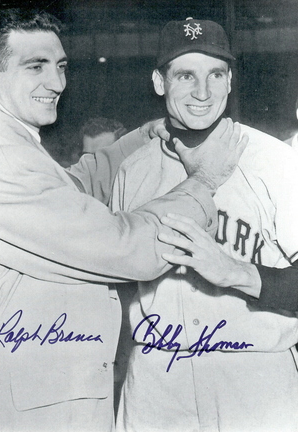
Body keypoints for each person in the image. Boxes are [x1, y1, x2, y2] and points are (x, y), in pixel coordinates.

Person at [0, 9, 246, 432]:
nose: (56, 83)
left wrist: (146, 135)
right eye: (34, 66)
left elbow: (74, 188)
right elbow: (128, 248)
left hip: (24, 398)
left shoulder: (7, 150)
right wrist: (204, 180)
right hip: (17, 411)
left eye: (60, 66)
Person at [111, 18, 298, 432]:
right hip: (157, 382)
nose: (202, 92)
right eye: (185, 75)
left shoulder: (277, 162)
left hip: (253, 378)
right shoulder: (132, 170)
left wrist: (238, 273)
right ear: (160, 82)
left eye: (215, 74)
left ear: (230, 81)